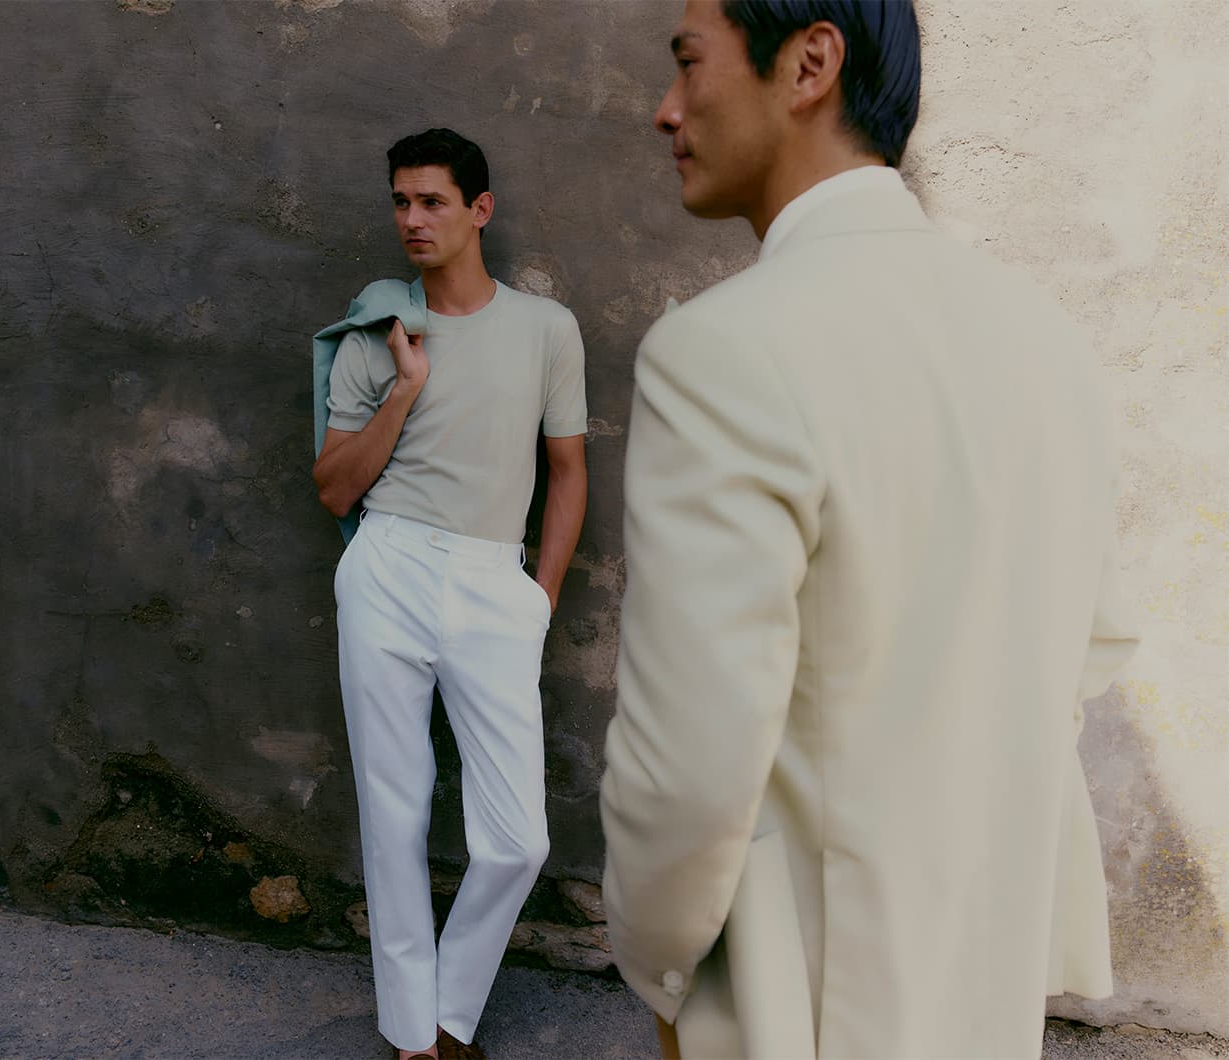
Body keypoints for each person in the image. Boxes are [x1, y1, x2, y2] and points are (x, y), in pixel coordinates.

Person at [598, 3, 1140, 1057]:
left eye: (688, 63)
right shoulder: (1048, 341)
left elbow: (687, 768)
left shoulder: (721, 352)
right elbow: (1092, 646)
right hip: (982, 983)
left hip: (797, 994)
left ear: (809, 64)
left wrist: (660, 970)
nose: (666, 110)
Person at [313, 128, 588, 1060]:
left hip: (491, 580)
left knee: (517, 840)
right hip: (388, 565)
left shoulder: (547, 330)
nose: (412, 219)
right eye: (400, 201)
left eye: (431, 201)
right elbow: (334, 491)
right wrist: (404, 387)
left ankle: (449, 1011)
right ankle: (416, 1039)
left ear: (480, 209)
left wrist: (539, 598)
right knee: (393, 814)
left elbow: (568, 472)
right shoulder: (378, 335)